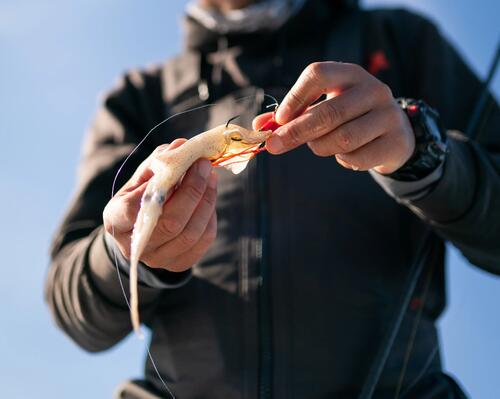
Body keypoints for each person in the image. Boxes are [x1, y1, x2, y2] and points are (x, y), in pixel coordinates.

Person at [45, 0, 500, 398]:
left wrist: (422, 150)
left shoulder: (401, 41)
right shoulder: (138, 97)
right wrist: (124, 254)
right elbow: (72, 308)